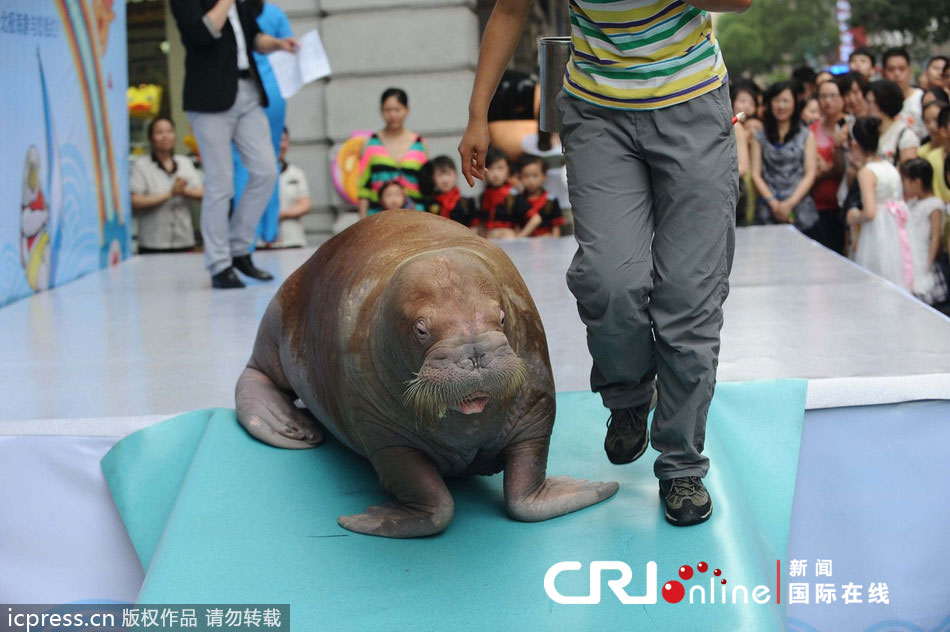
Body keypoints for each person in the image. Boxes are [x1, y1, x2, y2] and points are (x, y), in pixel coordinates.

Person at [460, 0, 749, 527]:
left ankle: (681, 462)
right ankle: (629, 394)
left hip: (692, 105)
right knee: (608, 279)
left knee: (689, 294)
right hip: (598, 112)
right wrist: (478, 114)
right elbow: (508, 11)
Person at [169, 0, 298, 289]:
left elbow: (253, 36)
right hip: (209, 99)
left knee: (266, 171)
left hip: (248, 92)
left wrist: (277, 43)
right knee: (220, 183)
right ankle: (219, 263)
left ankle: (240, 249)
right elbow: (203, 33)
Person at [232, 0, 293, 245]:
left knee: (240, 163)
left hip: (243, 89)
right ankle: (269, 231)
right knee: (271, 160)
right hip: (274, 91)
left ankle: (245, 237)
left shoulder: (232, 11)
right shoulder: (275, 14)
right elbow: (291, 49)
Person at [846, 117, 913, 292]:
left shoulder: (867, 172)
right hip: (895, 226)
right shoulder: (889, 167)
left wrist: (854, 215)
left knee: (876, 274)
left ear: (855, 145)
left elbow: (869, 212)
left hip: (877, 230)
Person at [751, 81, 819, 235]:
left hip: (800, 210)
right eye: (777, 100)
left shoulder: (806, 135)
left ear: (795, 103)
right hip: (767, 210)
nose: (781, 106)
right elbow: (756, 174)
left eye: (786, 100)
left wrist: (790, 204)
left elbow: (810, 174)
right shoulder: (759, 136)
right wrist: (774, 204)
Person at [130, 117, 203, 253]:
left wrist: (184, 191)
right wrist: (170, 194)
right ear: (151, 138)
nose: (165, 136)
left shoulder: (185, 163)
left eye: (169, 131)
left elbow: (203, 193)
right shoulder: (141, 165)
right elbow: (135, 201)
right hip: (153, 243)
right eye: (159, 132)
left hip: (184, 240)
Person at [357, 88, 428, 218]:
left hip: (415, 217)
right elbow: (364, 188)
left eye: (397, 109)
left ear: (407, 110)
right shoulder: (370, 143)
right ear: (381, 111)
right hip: (378, 217)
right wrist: (362, 219)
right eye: (388, 110)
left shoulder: (420, 143)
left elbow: (426, 185)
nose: (393, 115)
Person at [901, 158, 948, 306]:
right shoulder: (912, 203)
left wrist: (928, 264)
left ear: (917, 182)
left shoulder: (934, 205)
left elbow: (935, 237)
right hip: (911, 257)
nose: (903, 185)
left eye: (905, 180)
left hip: (924, 260)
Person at [809, 79, 847, 252]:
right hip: (818, 205)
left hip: (843, 205)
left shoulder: (849, 126)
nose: (827, 101)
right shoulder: (812, 130)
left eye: (832, 95)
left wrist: (827, 169)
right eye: (823, 96)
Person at [262, 127, 311, 248]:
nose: (280, 144)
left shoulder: (296, 173)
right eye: (275, 140)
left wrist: (280, 214)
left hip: (292, 241)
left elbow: (305, 205)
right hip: (262, 243)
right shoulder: (256, 175)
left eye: (283, 140)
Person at [867, 80, 920, 166]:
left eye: (869, 102)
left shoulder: (905, 136)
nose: (866, 106)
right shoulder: (869, 131)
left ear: (881, 103)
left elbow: (909, 174)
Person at [478, 147, 527, 239]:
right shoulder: (484, 195)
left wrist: (519, 237)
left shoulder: (513, 195)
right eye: (491, 168)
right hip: (490, 238)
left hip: (508, 238)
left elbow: (535, 219)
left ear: (508, 170)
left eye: (500, 168)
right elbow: (483, 222)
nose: (496, 174)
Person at [514, 155, 564, 238]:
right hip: (525, 242)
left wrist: (555, 244)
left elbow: (556, 228)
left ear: (544, 176)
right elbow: (516, 225)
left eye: (535, 176)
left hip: (546, 241)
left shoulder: (550, 200)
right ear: (520, 177)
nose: (530, 181)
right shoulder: (519, 199)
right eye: (526, 176)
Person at [423, 155, 478, 230]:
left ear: (455, 175)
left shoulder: (467, 203)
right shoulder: (429, 204)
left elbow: (475, 231)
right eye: (439, 175)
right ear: (432, 178)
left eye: (448, 174)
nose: (445, 180)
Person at [882, 48, 926, 139]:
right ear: (883, 73)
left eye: (902, 69)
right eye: (891, 69)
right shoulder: (879, 102)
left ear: (909, 71)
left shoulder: (922, 99)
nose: (897, 74)